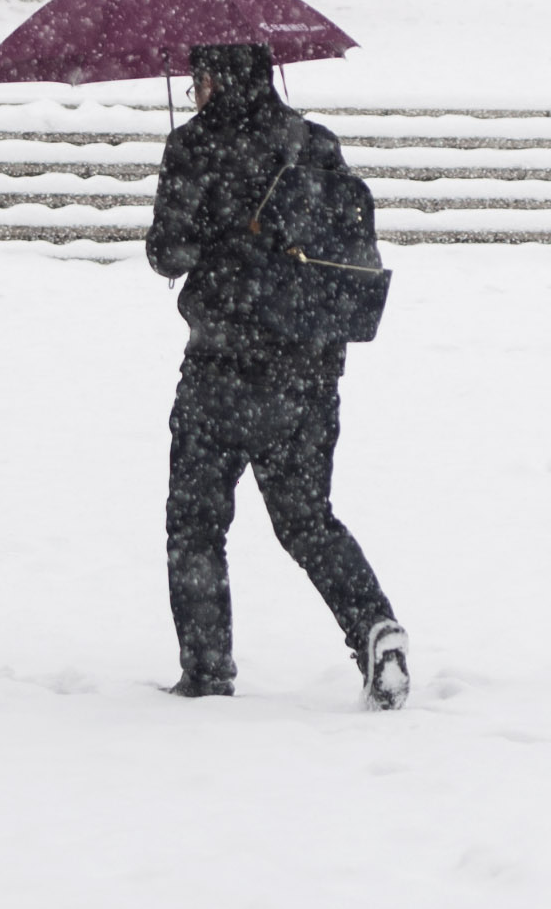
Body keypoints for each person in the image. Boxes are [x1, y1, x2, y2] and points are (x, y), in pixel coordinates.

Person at [145, 39, 407, 707]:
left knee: (196, 524)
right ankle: (373, 625)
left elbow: (166, 254)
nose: (193, 93)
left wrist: (201, 226)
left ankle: (207, 672)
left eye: (197, 79)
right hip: (307, 372)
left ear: (215, 78)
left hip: (221, 370)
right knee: (307, 521)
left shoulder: (194, 147)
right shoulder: (312, 143)